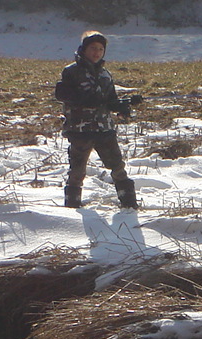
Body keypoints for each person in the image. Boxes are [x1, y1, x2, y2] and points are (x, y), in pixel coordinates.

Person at [55, 30, 143, 209]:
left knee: (118, 168)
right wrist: (85, 100)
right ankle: (71, 208)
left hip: (104, 130)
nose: (97, 52)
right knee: (77, 171)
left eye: (101, 49)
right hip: (80, 130)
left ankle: (130, 206)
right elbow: (62, 94)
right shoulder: (71, 71)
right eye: (93, 48)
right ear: (84, 49)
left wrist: (124, 106)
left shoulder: (105, 75)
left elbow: (111, 101)